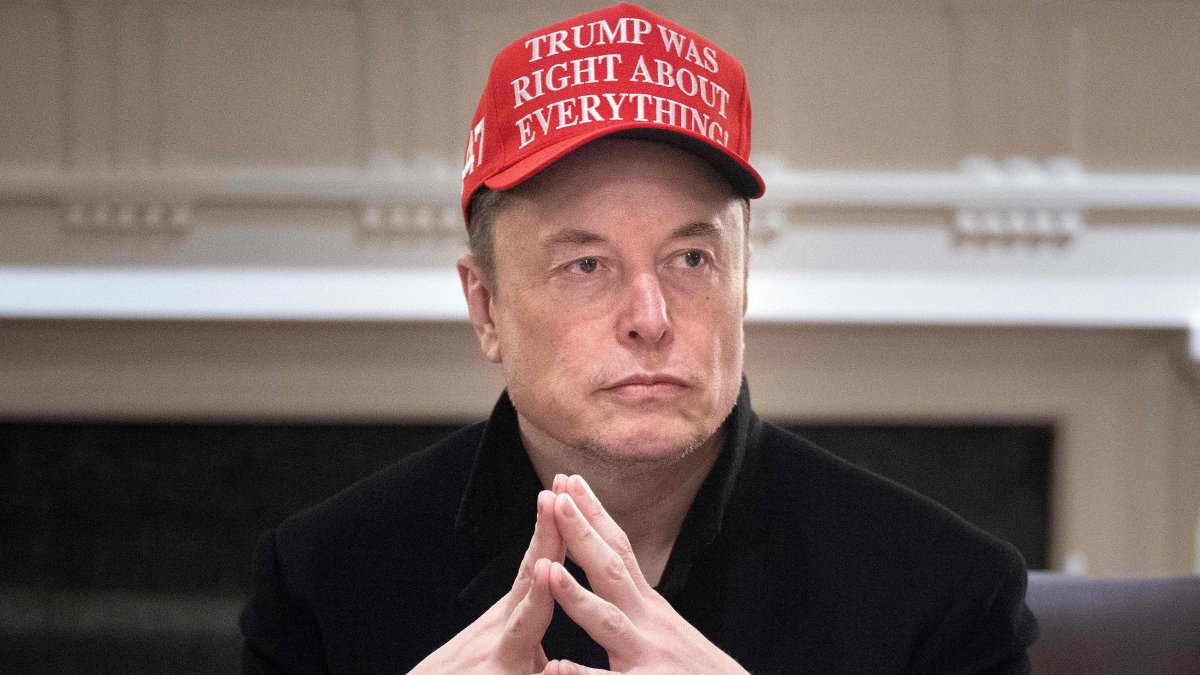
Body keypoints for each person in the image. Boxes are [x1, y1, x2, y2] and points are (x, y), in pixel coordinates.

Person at [240, 3, 1038, 673]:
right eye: (586, 264)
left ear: (745, 280)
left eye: (692, 258)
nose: (651, 317)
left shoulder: (945, 593)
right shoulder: (322, 584)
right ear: (485, 308)